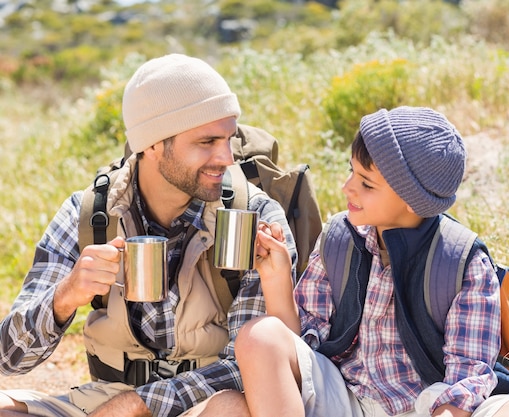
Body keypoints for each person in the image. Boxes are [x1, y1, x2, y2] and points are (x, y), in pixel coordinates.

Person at [0, 53, 296, 417]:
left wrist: (140, 404)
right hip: (105, 397)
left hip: (204, 403)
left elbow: (259, 367)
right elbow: (8, 358)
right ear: (153, 144)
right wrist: (65, 296)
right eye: (207, 142)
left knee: (233, 411)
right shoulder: (89, 214)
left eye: (228, 139)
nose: (226, 158)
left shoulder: (254, 217)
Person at [230, 106, 509, 417]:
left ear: (412, 200)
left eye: (366, 183)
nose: (347, 186)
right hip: (347, 396)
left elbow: (466, 379)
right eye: (351, 170)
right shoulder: (338, 238)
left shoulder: (463, 261)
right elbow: (302, 352)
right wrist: (276, 280)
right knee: (259, 335)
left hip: (432, 404)